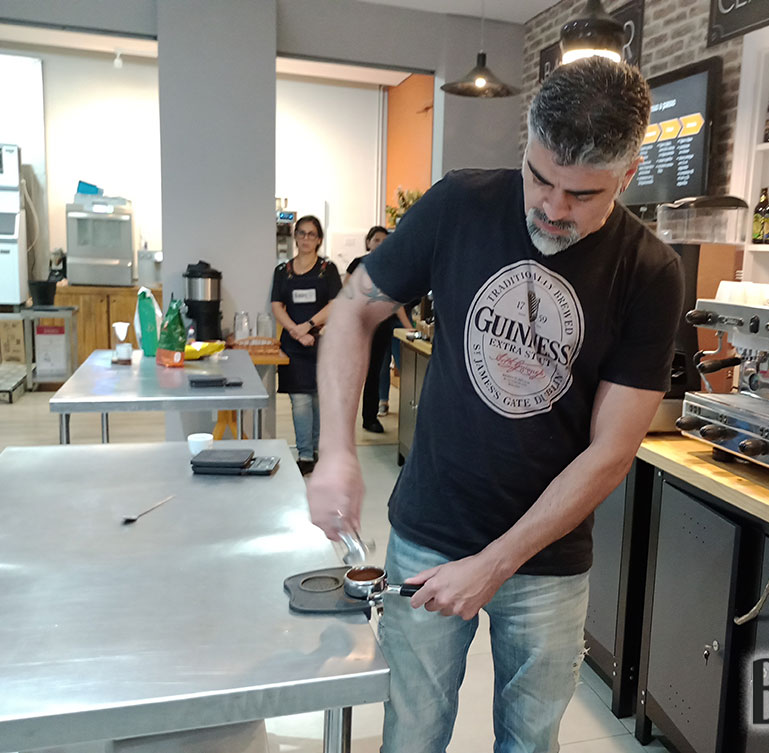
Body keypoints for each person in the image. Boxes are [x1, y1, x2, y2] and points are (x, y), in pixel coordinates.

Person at [308, 57, 683, 752]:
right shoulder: (461, 203)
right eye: (539, 177)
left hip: (548, 558)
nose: (553, 208)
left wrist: (496, 562)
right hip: (431, 527)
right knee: (411, 735)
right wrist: (335, 451)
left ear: (628, 175)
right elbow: (356, 307)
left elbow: (611, 451)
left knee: (530, 742)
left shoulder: (649, 269)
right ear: (526, 146)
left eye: (582, 194)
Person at [270, 215, 341, 475]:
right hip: (293, 345)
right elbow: (277, 306)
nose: (306, 238)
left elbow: (335, 304)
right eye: (301, 233)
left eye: (311, 234)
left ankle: (318, 450)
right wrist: (296, 331)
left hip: (323, 343)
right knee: (299, 401)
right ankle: (305, 454)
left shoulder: (327, 270)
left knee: (318, 400)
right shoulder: (283, 271)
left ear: (319, 239)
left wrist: (309, 325)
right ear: (295, 237)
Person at [344, 226, 413, 433]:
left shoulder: (391, 268)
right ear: (368, 242)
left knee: (374, 371)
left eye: (385, 240)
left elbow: (395, 301)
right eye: (376, 240)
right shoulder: (359, 264)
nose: (381, 244)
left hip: (381, 326)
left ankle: (370, 417)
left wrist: (409, 327)